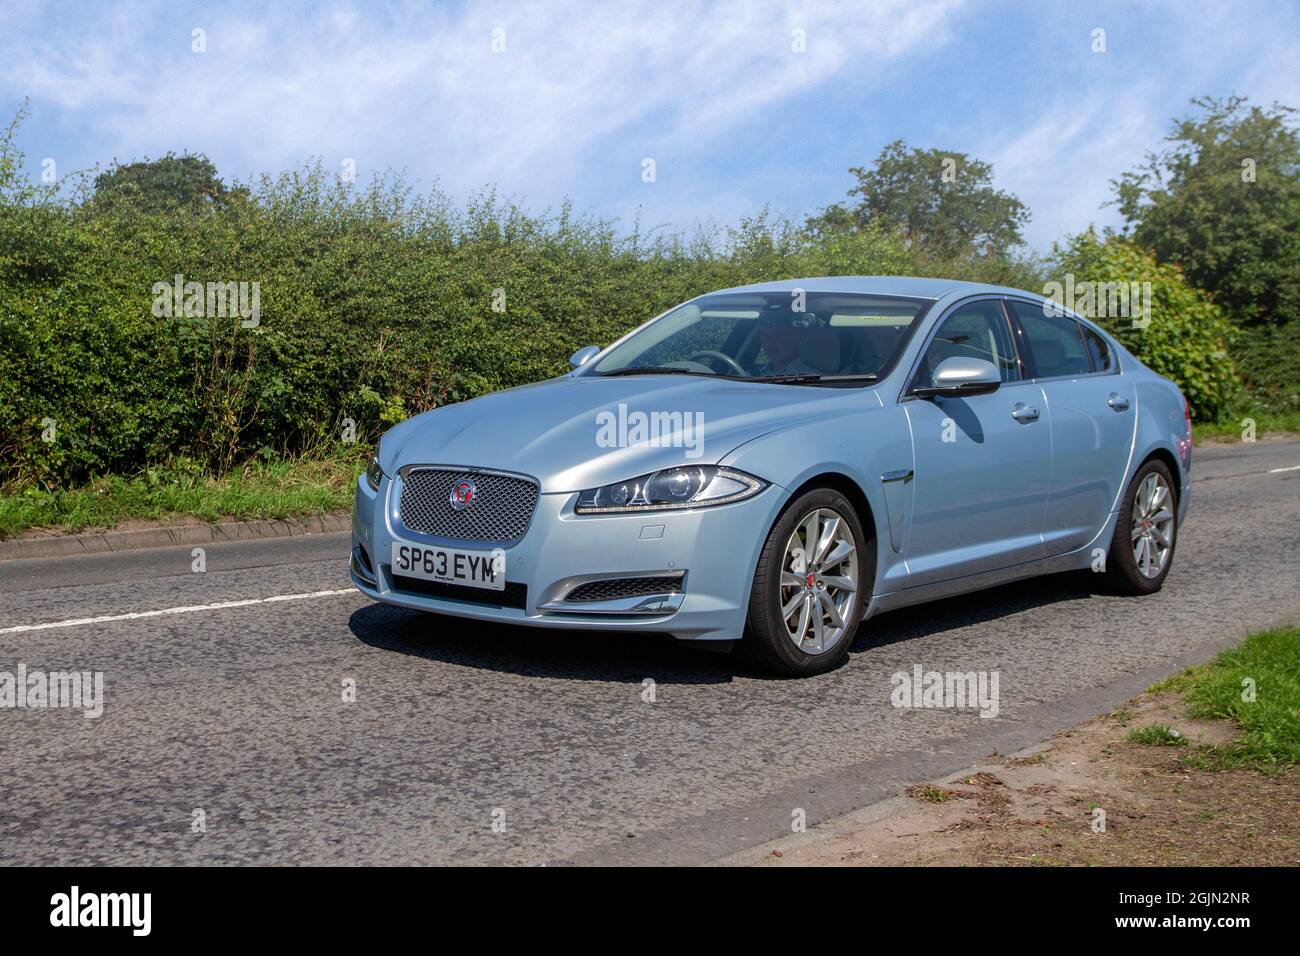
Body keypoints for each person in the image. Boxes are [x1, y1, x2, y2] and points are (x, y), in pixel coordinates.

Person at [751, 311, 818, 376]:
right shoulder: (750, 374)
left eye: (777, 334)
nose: (768, 340)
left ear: (797, 337)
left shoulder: (813, 379)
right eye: (764, 334)